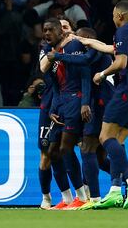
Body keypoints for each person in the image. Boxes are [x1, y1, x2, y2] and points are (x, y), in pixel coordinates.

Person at [73, 0, 128, 209]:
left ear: (119, 15)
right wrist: (90, 42)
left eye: (112, 14)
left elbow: (120, 62)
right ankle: (116, 191)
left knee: (104, 136)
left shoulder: (123, 31)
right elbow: (113, 50)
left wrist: (102, 74)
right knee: (118, 140)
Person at [40, 17, 91, 210]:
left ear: (61, 32)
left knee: (67, 149)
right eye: (44, 31)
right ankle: (67, 198)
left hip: (76, 99)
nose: (46, 34)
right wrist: (53, 107)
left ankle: (82, 197)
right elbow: (54, 84)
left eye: (50, 30)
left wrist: (85, 103)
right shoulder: (48, 52)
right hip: (60, 102)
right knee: (52, 152)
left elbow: (85, 75)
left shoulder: (74, 46)